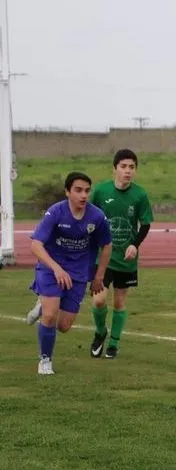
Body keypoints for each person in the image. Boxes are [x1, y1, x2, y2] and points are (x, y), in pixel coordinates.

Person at [25, 172, 113, 375]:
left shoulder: (97, 217)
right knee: (50, 315)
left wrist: (99, 276)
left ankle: (42, 306)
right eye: (78, 190)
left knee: (64, 326)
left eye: (87, 191)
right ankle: (45, 361)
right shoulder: (56, 212)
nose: (84, 195)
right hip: (51, 268)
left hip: (78, 272)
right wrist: (56, 268)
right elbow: (36, 244)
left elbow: (107, 245)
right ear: (67, 192)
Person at [88, 149, 154, 359]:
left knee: (119, 303)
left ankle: (114, 344)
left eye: (132, 167)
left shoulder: (140, 195)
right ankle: (100, 332)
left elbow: (145, 223)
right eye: (123, 166)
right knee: (99, 300)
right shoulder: (101, 191)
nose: (128, 171)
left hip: (126, 260)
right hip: (103, 258)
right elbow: (89, 217)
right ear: (114, 168)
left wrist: (135, 244)